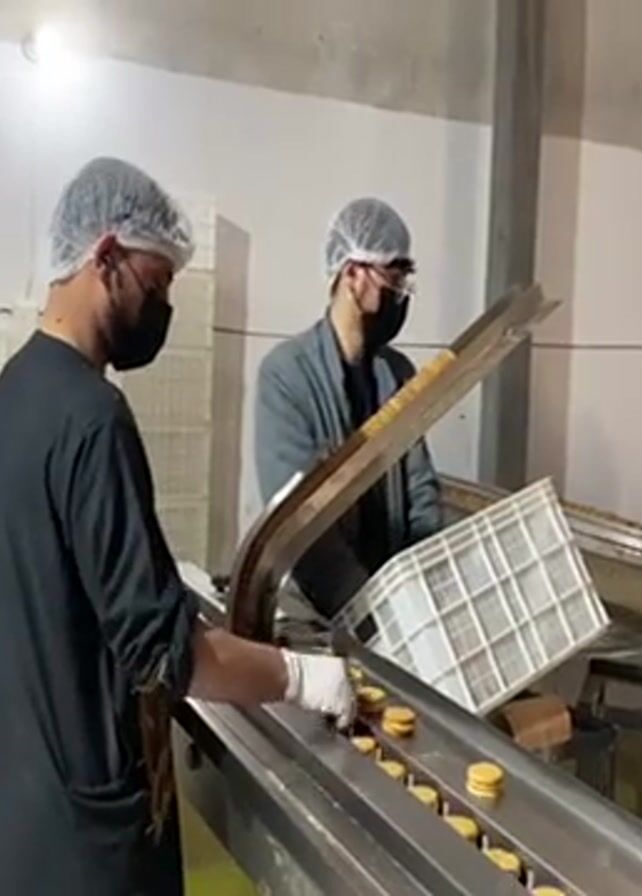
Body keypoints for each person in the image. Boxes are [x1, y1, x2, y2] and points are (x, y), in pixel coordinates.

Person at [0, 158, 354, 896]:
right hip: (90, 845)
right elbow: (169, 659)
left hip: (25, 811)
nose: (162, 307)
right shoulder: (92, 418)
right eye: (156, 284)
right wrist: (301, 676)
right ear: (105, 257)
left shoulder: (15, 390)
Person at [255, 198, 443, 619]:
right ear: (353, 273)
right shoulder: (287, 375)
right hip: (316, 610)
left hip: (397, 604)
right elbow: (298, 525)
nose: (401, 292)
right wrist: (369, 614)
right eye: (393, 275)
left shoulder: (398, 373)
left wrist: (420, 591)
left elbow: (420, 489)